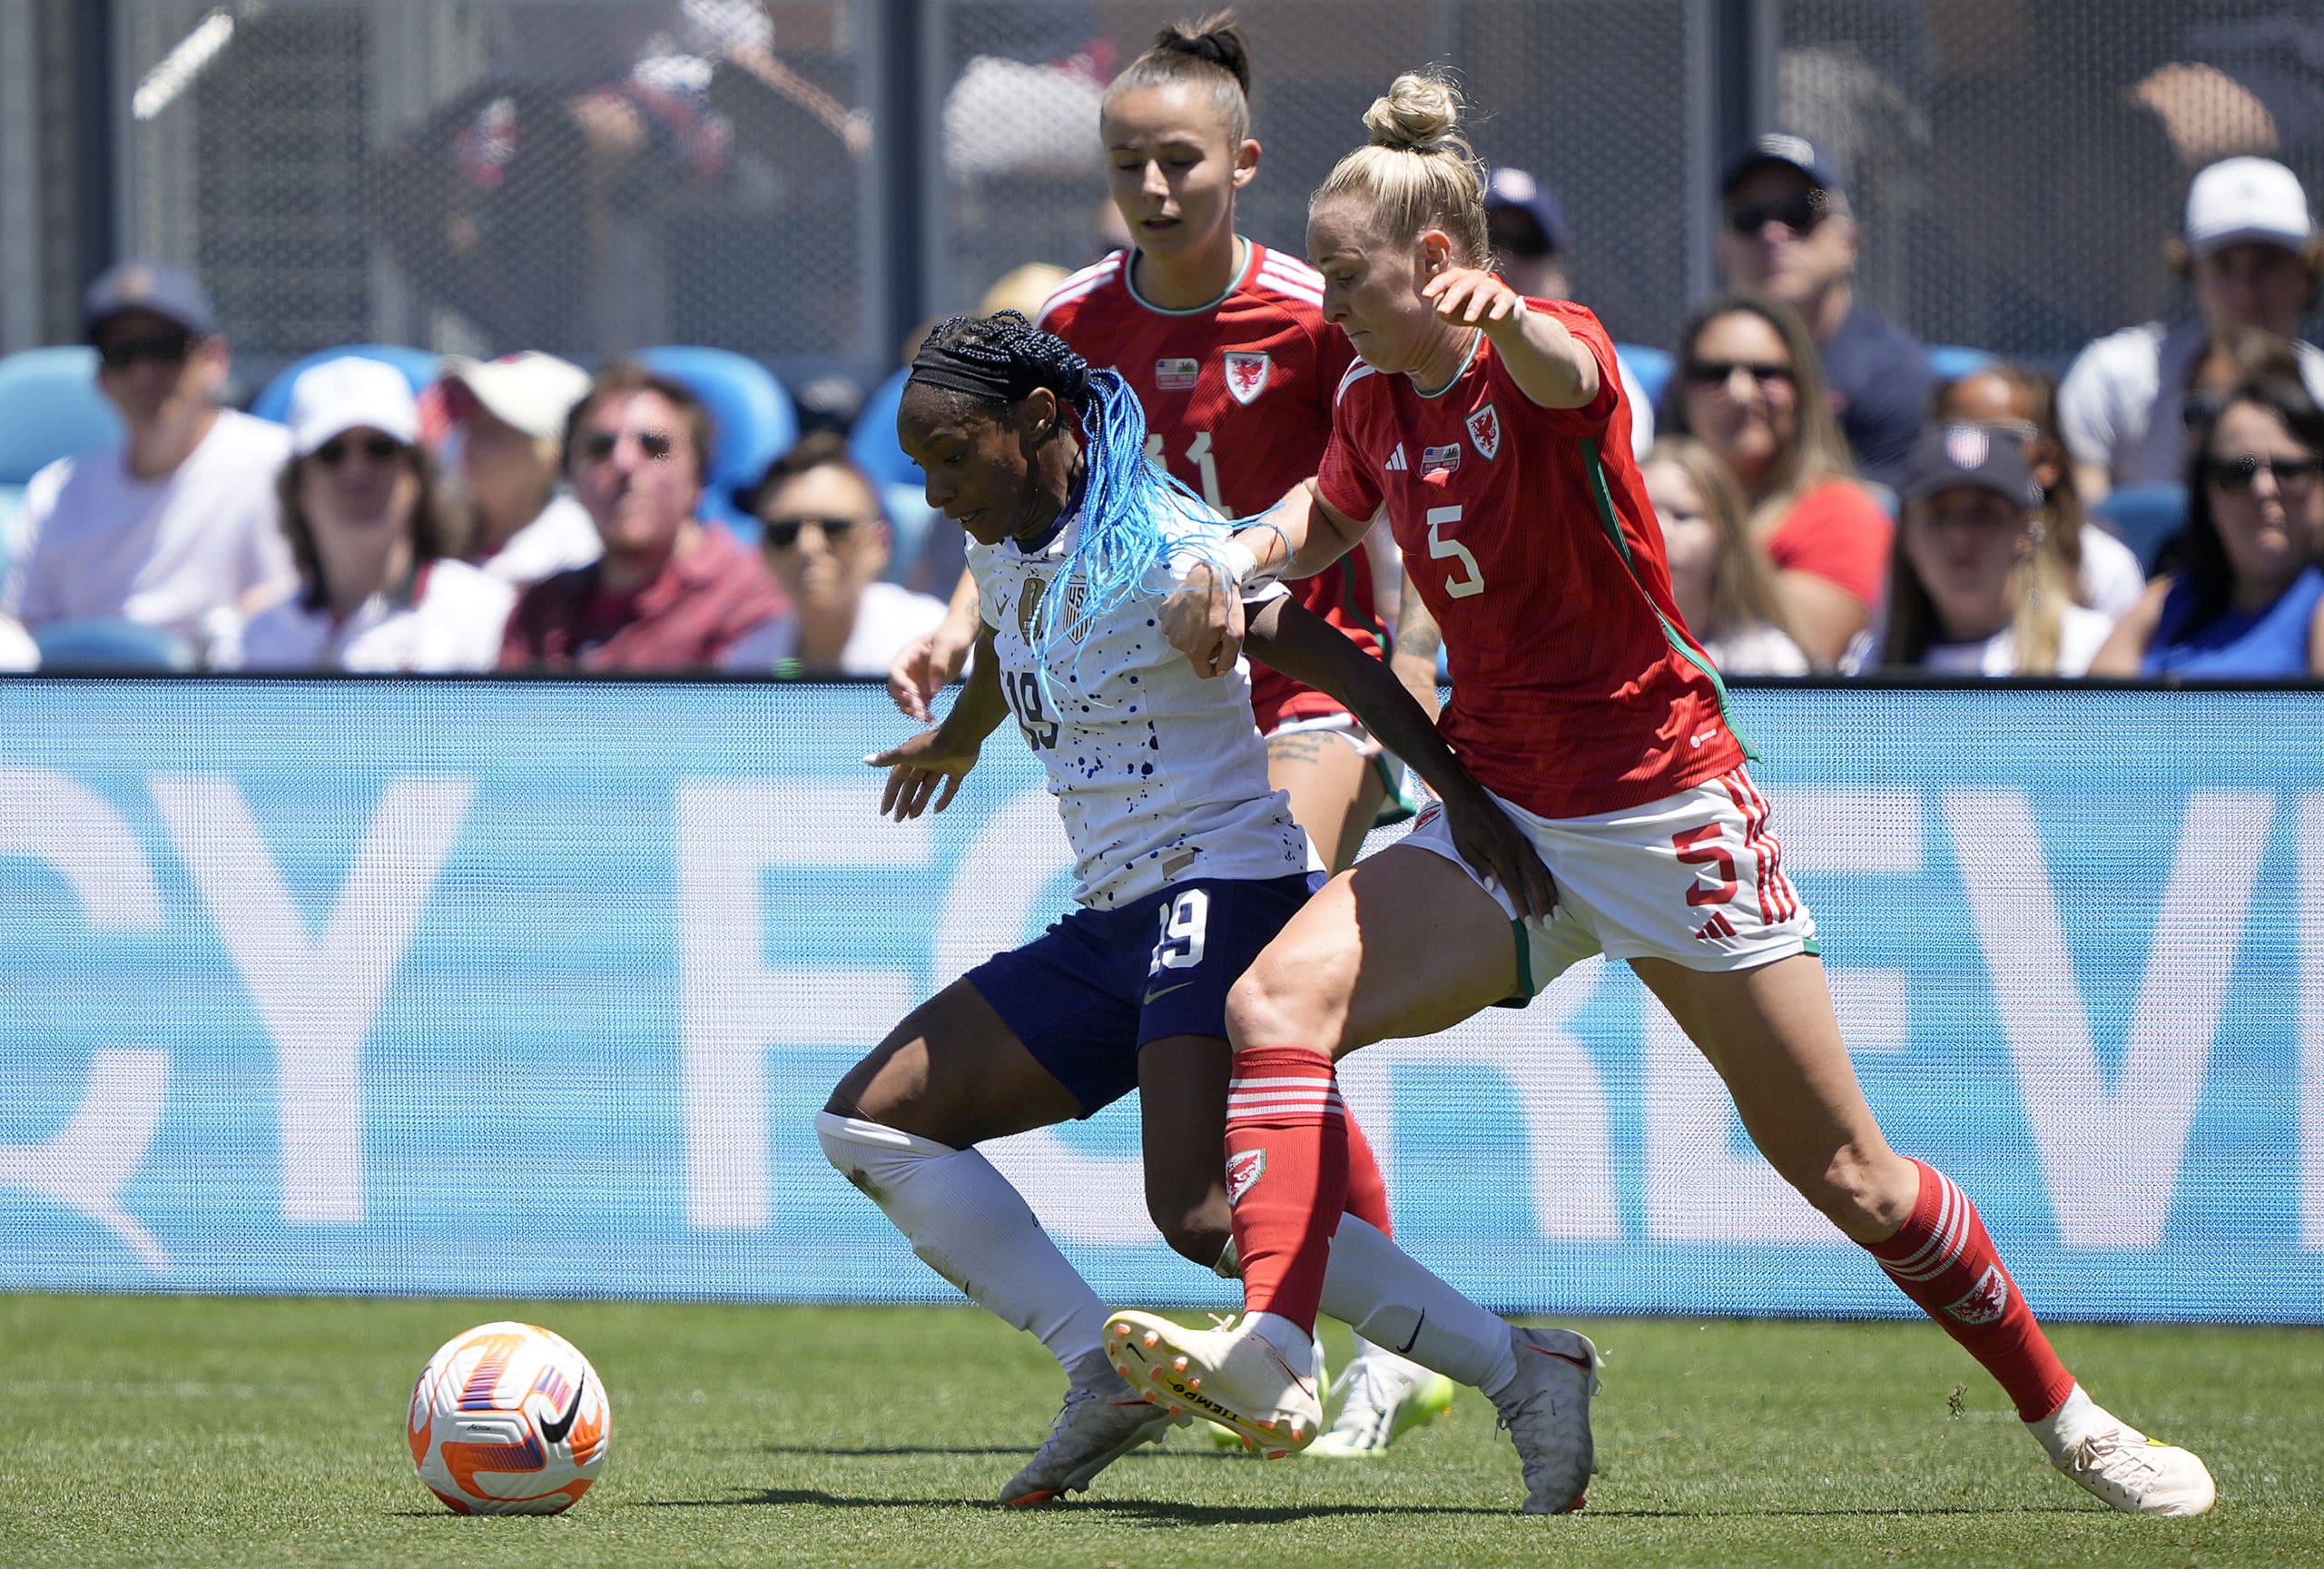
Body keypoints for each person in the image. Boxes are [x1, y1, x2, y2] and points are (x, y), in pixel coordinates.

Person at [1103, 70, 2218, 1521]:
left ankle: (2071, 1420)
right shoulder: (1374, 395)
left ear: (1439, 266)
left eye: (1350, 276)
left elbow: (1571, 374)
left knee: (1851, 1177)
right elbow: (1328, 511)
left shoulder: (1539, 352)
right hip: (1501, 818)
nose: (1329, 306)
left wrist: (1519, 324)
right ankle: (1276, 1351)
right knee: (1274, 1006)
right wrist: (1234, 558)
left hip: (1662, 812)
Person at [821, 310, 1550, 1505]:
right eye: (923, 467)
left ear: (1040, 422)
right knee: (871, 1124)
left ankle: (1519, 1369)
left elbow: (1343, 667)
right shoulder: (1010, 544)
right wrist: (959, 738)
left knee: (1201, 1212)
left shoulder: (1170, 549)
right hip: (1115, 917)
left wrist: (1457, 798)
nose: (938, 491)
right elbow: (1013, 636)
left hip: (1227, 891)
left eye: (952, 456)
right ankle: (1096, 1369)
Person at [890, 11, 1452, 1462]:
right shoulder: (1071, 326)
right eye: (1129, 163)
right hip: (1150, 692)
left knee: (1276, 994)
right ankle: (1358, 1322)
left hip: (1306, 684)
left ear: (1243, 165)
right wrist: (965, 634)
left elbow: (1381, 464)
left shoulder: (1313, 313)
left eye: (1180, 164)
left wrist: (1424, 630)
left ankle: (1335, 1332)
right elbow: (1025, 522)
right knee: (1275, 1016)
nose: (1153, 190)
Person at [1, 261, 293, 661]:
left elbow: (302, 609)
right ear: (101, 378)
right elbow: (22, 629)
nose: (144, 373)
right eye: (122, 354)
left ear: (215, 360)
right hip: (75, 714)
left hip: (224, 710)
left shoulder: (280, 466)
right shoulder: (57, 492)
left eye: (165, 349)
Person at [214, 358, 514, 672]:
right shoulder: (249, 644)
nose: (357, 469)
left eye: (380, 448)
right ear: (298, 485)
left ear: (417, 473)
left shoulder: (488, 619)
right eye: (331, 453)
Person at [2058, 155, 2324, 501]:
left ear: (2306, 274)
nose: (2246, 289)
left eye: (2268, 264)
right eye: (2224, 266)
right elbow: (2085, 531)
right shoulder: (2113, 377)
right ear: (2192, 275)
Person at [498, 360, 783, 672]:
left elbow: (788, 686)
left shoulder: (754, 597)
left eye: (654, 446)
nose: (624, 462)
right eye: (599, 447)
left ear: (698, 479)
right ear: (571, 479)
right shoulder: (538, 610)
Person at [1664, 291, 1894, 666]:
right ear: (1681, 392)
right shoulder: (1638, 496)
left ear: (1802, 391)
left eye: (1766, 373)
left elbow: (1797, 661)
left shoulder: (1843, 514)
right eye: (1713, 374)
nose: (1739, 392)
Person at [1712, 133, 1932, 489]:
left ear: (1850, 241)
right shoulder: (1699, 364)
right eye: (1747, 217)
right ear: (1721, 249)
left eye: (1801, 211)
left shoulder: (1895, 375)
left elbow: (1877, 525)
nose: (1773, 233)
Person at [2090, 372, 2324, 676]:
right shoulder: (2165, 600)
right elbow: (2090, 716)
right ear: (2206, 493)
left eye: (2289, 470)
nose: (2264, 489)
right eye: (2236, 473)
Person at [1845, 424, 2114, 676]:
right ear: (1906, 538)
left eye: (1985, 514)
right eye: (1938, 515)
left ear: (2025, 533)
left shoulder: (2087, 651)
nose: (1961, 537)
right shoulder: (1871, 665)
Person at [719, 431, 948, 676]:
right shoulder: (745, 670)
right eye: (785, 532)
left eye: (835, 528)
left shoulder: (935, 644)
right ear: (764, 550)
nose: (808, 545)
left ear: (879, 544)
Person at [1933, 364, 2147, 619]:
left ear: (2048, 461)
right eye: (1954, 437)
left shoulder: (2104, 568)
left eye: (2003, 440)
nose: (1977, 458)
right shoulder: (1922, 555)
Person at [1482, 166, 1653, 459]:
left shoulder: (1610, 368)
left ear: (1560, 272)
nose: (1503, 260)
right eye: (1489, 241)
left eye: (1527, 245)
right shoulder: (1425, 365)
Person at [1640, 437, 1808, 675]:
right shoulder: (1593, 649)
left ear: (1725, 537)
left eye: (1683, 516)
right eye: (1644, 514)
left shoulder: (1767, 661)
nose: (1660, 532)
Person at [437, 351, 602, 587]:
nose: (470, 444)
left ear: (554, 457)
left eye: (494, 431)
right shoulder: (433, 533)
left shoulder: (577, 553)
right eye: (467, 423)